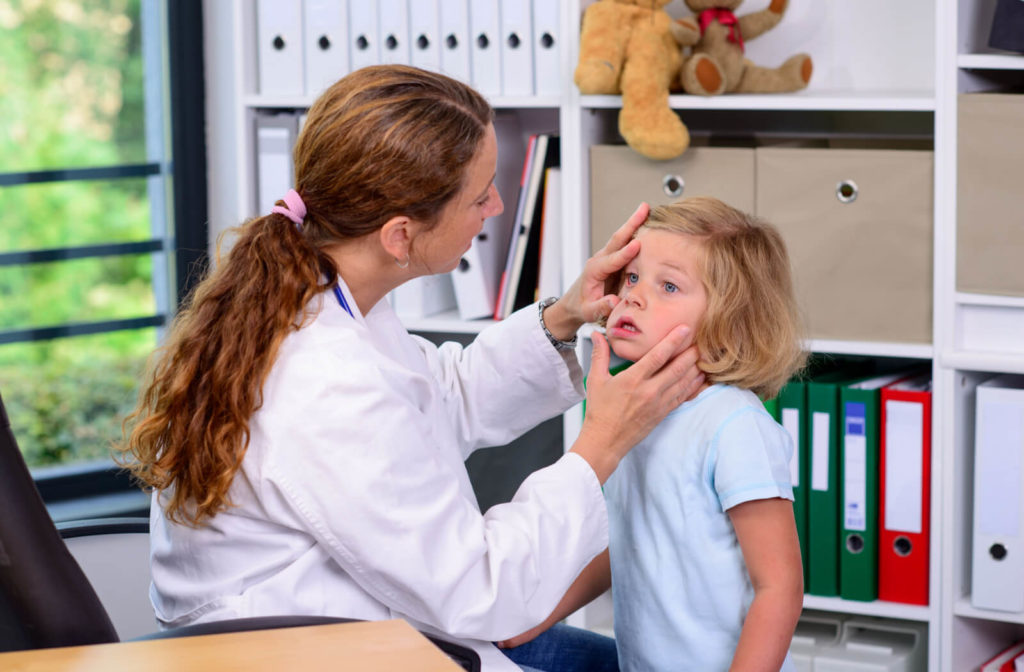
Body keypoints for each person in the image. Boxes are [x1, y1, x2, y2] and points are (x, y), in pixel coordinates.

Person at [115, 64, 705, 672]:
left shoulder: (323, 301)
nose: (498, 206)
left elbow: (436, 397)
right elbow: (481, 588)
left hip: (370, 623)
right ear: (400, 236)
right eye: (480, 195)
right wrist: (602, 442)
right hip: (316, 655)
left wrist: (564, 314)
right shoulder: (324, 377)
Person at [500, 196, 806, 671]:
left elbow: (779, 587)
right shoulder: (632, 412)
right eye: (634, 277)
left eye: (668, 285)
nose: (634, 295)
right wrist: (540, 618)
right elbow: (620, 544)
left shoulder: (734, 425)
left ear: (728, 320)